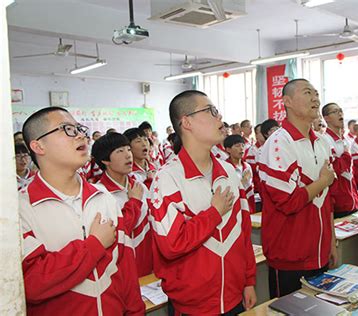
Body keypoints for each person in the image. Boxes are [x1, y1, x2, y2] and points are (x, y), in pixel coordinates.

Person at [19, 106, 143, 315]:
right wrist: (94, 245)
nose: (80, 136)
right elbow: (32, 283)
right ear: (38, 146)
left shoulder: (104, 198)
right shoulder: (21, 208)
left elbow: (126, 270)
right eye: (67, 129)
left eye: (79, 129)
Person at [149, 90, 257, 315]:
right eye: (210, 111)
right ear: (186, 122)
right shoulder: (167, 178)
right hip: (192, 305)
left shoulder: (228, 171)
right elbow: (172, 245)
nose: (219, 117)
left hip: (234, 295)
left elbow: (243, 231)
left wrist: (248, 280)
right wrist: (214, 212)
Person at [258, 79, 336, 298]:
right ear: (287, 101)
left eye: (317, 93)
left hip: (318, 250)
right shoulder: (278, 143)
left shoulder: (321, 142)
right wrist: (323, 181)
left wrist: (331, 242)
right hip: (289, 255)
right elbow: (288, 201)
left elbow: (328, 200)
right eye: (307, 92)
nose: (315, 98)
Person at [92, 132, 153, 277]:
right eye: (120, 151)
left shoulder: (138, 186)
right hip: (124, 272)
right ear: (105, 160)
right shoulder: (100, 194)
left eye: (128, 149)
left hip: (150, 267)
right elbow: (116, 234)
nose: (128, 155)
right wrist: (134, 203)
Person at [322, 103, 358, 217]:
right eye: (335, 111)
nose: (340, 113)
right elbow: (334, 169)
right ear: (326, 118)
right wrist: (346, 155)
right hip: (338, 202)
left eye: (341, 111)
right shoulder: (325, 140)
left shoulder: (345, 141)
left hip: (351, 199)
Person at [224, 134, 256, 213]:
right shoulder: (225, 167)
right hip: (234, 208)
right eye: (237, 146)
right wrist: (243, 181)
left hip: (249, 205)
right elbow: (228, 192)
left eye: (243, 145)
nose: (241, 148)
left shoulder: (247, 166)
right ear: (228, 149)